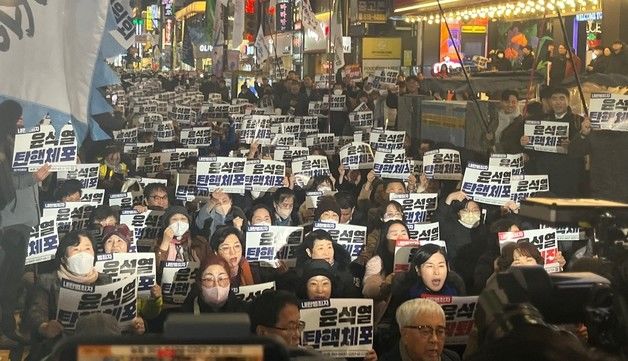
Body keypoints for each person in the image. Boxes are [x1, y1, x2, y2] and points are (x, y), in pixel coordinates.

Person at [27, 231, 142, 359]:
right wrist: (45, 327)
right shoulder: (48, 281)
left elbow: (120, 318)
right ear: (63, 257)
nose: (82, 254)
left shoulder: (106, 280)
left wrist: (135, 324)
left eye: (87, 249)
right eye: (76, 250)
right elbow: (36, 313)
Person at [0, 99, 51, 343]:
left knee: (15, 276)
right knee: (7, 278)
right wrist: (33, 177)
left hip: (26, 219)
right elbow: (7, 183)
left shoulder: (20, 143)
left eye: (22, 117)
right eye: (17, 117)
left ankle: (9, 325)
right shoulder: (2, 145)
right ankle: (5, 329)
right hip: (10, 222)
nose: (21, 121)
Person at [519, 87, 591, 197]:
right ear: (550, 102)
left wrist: (572, 144)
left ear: (568, 100)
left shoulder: (579, 121)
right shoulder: (540, 121)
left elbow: (585, 148)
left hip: (569, 176)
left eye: (562, 98)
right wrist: (526, 143)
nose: (558, 102)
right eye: (554, 99)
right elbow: (534, 150)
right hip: (545, 174)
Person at [381, 298, 461, 361]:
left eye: (440, 331)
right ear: (405, 334)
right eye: (426, 331)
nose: (434, 339)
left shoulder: (452, 358)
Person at [363, 220, 410, 324]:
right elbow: (368, 289)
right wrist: (385, 285)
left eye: (403, 233)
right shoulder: (377, 261)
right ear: (385, 239)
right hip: (387, 319)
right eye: (394, 234)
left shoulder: (416, 260)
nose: (400, 237)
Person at [182, 255, 248, 314]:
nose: (216, 285)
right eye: (209, 279)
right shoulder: (186, 312)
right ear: (200, 283)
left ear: (230, 281)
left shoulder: (245, 311)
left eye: (221, 279)